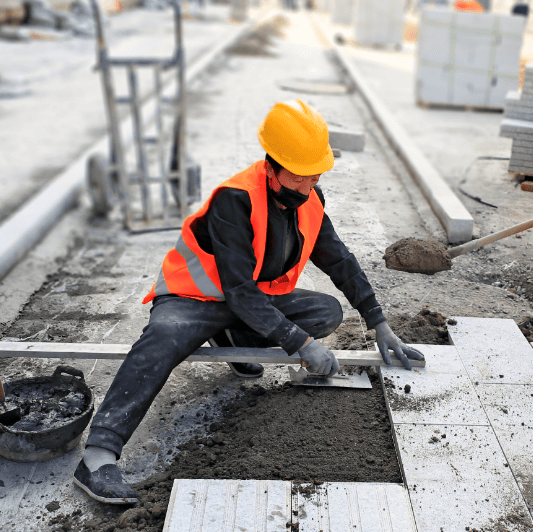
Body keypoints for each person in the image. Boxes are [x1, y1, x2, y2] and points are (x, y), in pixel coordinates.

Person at [72, 99, 425, 504]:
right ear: (271, 165)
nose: (307, 188)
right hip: (195, 297)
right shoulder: (235, 200)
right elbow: (237, 289)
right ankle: (98, 456)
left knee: (325, 311)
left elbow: (338, 259)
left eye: (315, 177)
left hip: (249, 301)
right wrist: (300, 343)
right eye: (298, 178)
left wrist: (378, 321)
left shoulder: (309, 198)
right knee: (165, 336)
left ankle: (229, 337)